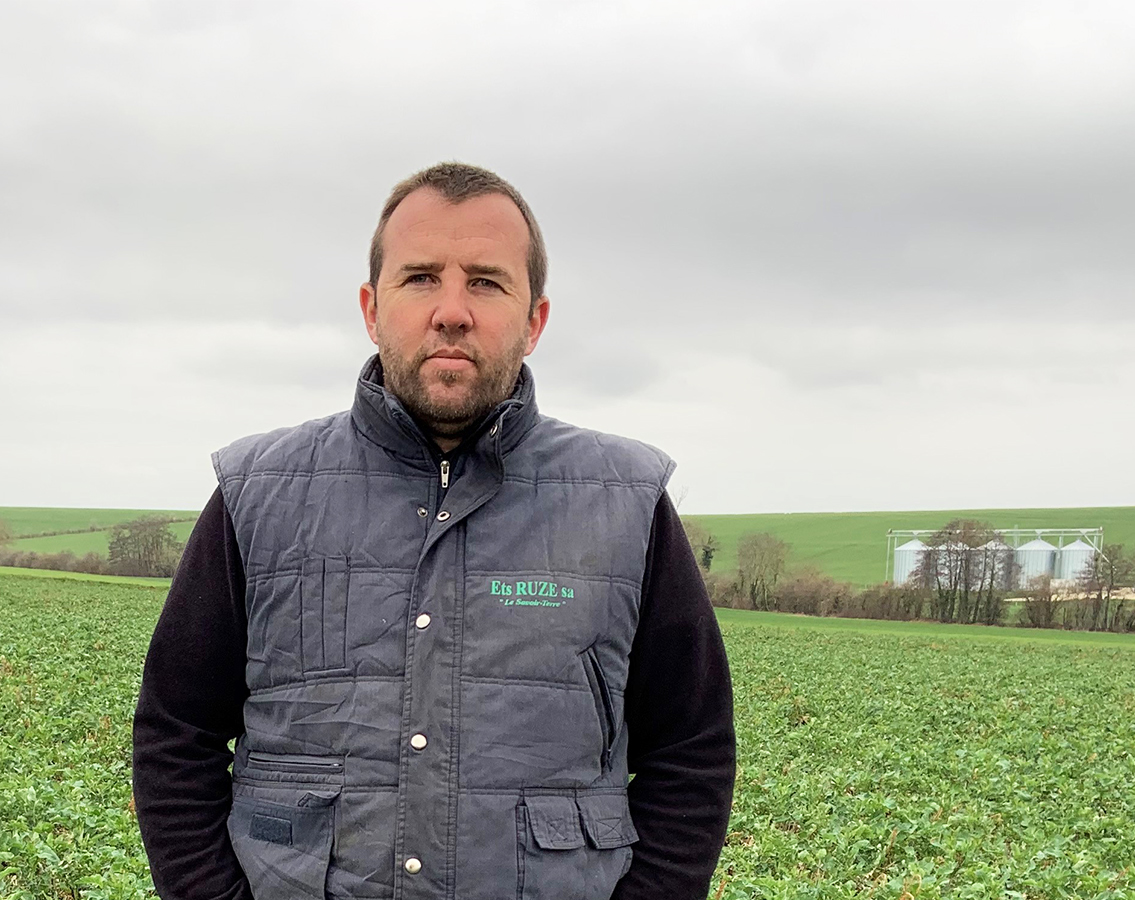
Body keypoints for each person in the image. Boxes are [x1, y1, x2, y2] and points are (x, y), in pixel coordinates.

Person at [131, 162, 736, 899]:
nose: (452, 310)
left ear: (535, 320)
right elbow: (176, 735)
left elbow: (692, 752)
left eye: (486, 281)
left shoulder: (627, 503)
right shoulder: (257, 494)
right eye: (420, 278)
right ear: (371, 308)